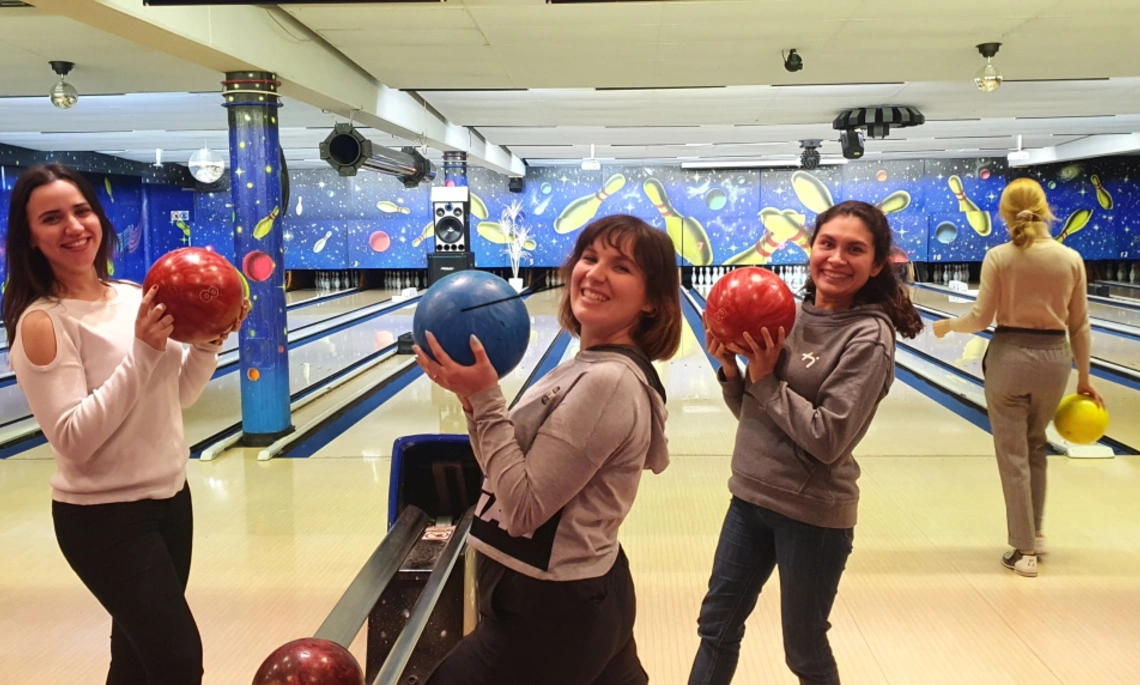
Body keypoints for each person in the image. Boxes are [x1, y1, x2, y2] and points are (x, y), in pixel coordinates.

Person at [4, 163, 246, 684]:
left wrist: (206, 342)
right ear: (29, 238)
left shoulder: (135, 296)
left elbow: (176, 395)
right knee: (178, 660)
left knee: (137, 663)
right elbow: (73, 441)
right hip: (102, 520)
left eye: (81, 210)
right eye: (51, 218)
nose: (73, 226)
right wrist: (143, 352)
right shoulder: (43, 322)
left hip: (170, 504)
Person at [415, 214, 682, 685]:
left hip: (550, 612)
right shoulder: (590, 364)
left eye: (621, 267)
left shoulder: (608, 382)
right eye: (589, 257)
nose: (595, 273)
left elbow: (524, 510)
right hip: (581, 593)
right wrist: (476, 406)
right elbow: (503, 472)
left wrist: (486, 398)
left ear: (653, 304)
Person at [689, 200, 924, 685]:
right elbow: (757, 415)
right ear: (811, 248)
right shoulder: (785, 314)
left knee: (805, 650)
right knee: (716, 627)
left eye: (855, 249)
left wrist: (766, 379)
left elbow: (826, 438)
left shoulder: (868, 338)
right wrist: (733, 372)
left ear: (877, 264)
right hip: (750, 498)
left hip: (813, 515)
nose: (837, 258)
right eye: (827, 244)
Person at [933, 177, 1103, 578]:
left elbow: (981, 318)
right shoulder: (1070, 258)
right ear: (1046, 209)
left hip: (1010, 357)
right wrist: (1086, 377)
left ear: (1004, 214)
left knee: (1012, 457)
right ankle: (1036, 533)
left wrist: (948, 326)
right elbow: (1080, 326)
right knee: (1035, 447)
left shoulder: (999, 256)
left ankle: (1023, 550)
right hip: (1055, 360)